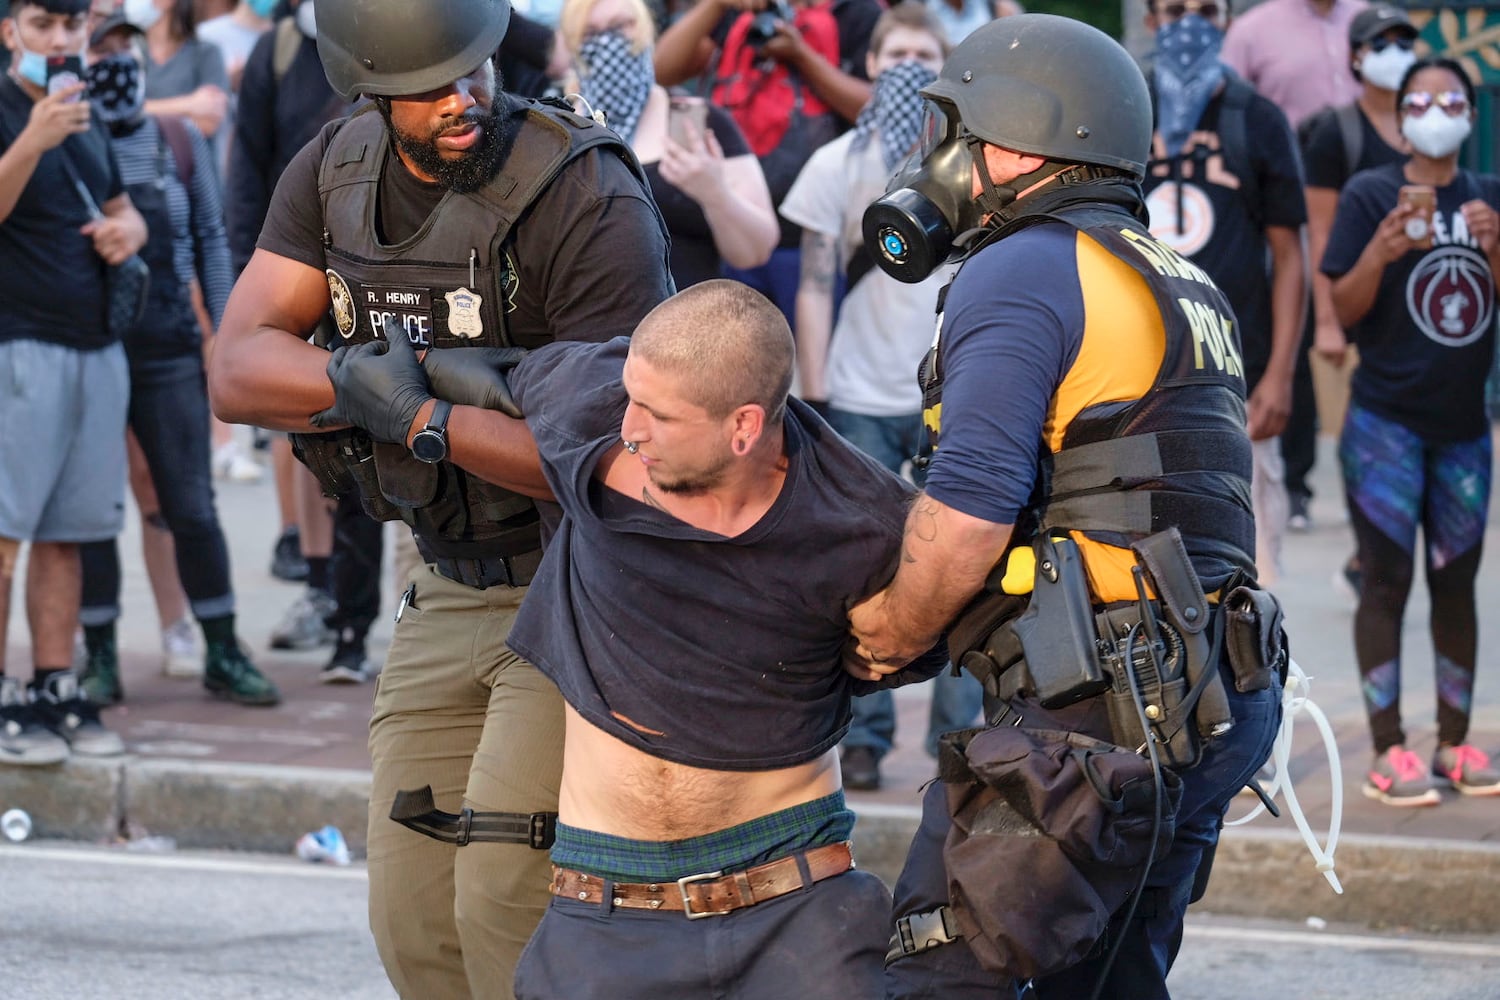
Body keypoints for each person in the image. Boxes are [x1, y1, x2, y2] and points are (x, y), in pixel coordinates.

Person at [206, 0, 674, 994]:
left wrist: (422, 418)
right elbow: (238, 368)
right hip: (442, 578)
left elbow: (612, 458)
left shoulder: (583, 193)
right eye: (430, 88)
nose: (464, 99)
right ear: (368, 90)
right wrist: (356, 386)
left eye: (475, 72)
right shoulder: (334, 173)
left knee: (505, 897)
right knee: (410, 916)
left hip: (577, 590)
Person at [319, 280, 946, 999]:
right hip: (602, 915)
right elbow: (495, 370)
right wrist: (415, 411)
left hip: (794, 910)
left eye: (657, 415)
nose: (629, 428)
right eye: (630, 400)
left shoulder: (860, 523)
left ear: (743, 427)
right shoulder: (592, 394)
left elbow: (918, 631)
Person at [846, 15, 1282, 996]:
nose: (936, 158)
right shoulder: (1179, 277)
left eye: (949, 130)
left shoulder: (1023, 266)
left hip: (1090, 721)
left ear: (1009, 143)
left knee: (933, 979)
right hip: (1206, 699)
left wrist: (881, 635)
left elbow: (968, 514)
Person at [779, 1, 977, 791]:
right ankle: (864, 735)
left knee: (963, 565)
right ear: (869, 65)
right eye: (893, 52)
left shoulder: (971, 171)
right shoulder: (836, 165)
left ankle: (960, 740)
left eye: (921, 55)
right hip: (858, 392)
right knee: (859, 569)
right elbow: (817, 283)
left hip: (951, 396)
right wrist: (817, 393)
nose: (905, 65)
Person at [73, 10, 277, 706]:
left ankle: (221, 646)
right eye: (101, 51)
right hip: (90, 348)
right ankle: (98, 655)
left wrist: (226, 332)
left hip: (167, 349)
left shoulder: (178, 141)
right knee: (94, 510)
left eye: (126, 49)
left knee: (190, 502)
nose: (116, 64)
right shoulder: (66, 141)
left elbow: (213, 240)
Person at [1322, 57, 1500, 806]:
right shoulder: (1371, 195)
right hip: (1384, 426)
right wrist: (1383, 249)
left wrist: (1495, 249)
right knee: (1386, 583)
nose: (1436, 109)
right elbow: (1347, 304)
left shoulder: (1489, 197)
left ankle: (1455, 741)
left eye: (1450, 98)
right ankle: (1388, 748)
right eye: (1421, 99)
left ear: (1470, 112)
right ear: (1400, 117)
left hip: (1464, 429)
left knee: (1457, 584)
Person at [0, 0, 146, 764]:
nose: (60, 41)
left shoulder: (82, 112)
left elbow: (124, 208)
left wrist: (131, 232)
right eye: (43, 25)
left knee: (66, 536)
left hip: (96, 346)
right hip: (17, 346)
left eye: (71, 27)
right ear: (10, 32)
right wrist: (31, 139)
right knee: (4, 536)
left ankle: (54, 683)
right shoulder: (16, 110)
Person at [1141, 0, 1306, 585]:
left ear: (1228, 22)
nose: (1189, 24)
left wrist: (1281, 374)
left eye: (1206, 10)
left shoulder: (1256, 118)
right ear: (1150, 21)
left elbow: (1290, 255)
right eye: (1174, 10)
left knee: (1250, 572)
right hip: (1136, 376)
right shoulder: (1122, 109)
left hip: (1238, 375)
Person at [1222, 0, 1368, 535]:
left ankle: (1367, 488)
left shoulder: (1364, 18)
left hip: (1364, 187)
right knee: (1301, 336)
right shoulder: (1255, 29)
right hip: (1290, 189)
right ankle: (1301, 483)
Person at [653, 0, 883, 322]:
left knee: (807, 357)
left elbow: (877, 107)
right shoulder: (736, 9)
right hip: (726, 229)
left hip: (813, 234)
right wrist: (715, 5)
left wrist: (801, 55)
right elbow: (662, 69)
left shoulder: (855, 12)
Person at [1301, 3, 1416, 597]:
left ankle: (1381, 544)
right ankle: (1368, 549)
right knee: (1364, 436)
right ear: (1356, 56)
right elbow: (1321, 234)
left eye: (1405, 41)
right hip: (1357, 304)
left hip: (1417, 311)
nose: (1397, 53)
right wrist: (1327, 320)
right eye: (1383, 42)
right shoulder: (1336, 132)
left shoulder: (1426, 125)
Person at [558, 0, 777, 288]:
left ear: (646, 32)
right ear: (572, 45)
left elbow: (756, 252)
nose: (609, 42)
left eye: (622, 26)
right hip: (594, 321)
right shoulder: (562, 130)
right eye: (591, 33)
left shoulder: (688, 121)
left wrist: (715, 193)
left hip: (687, 318)